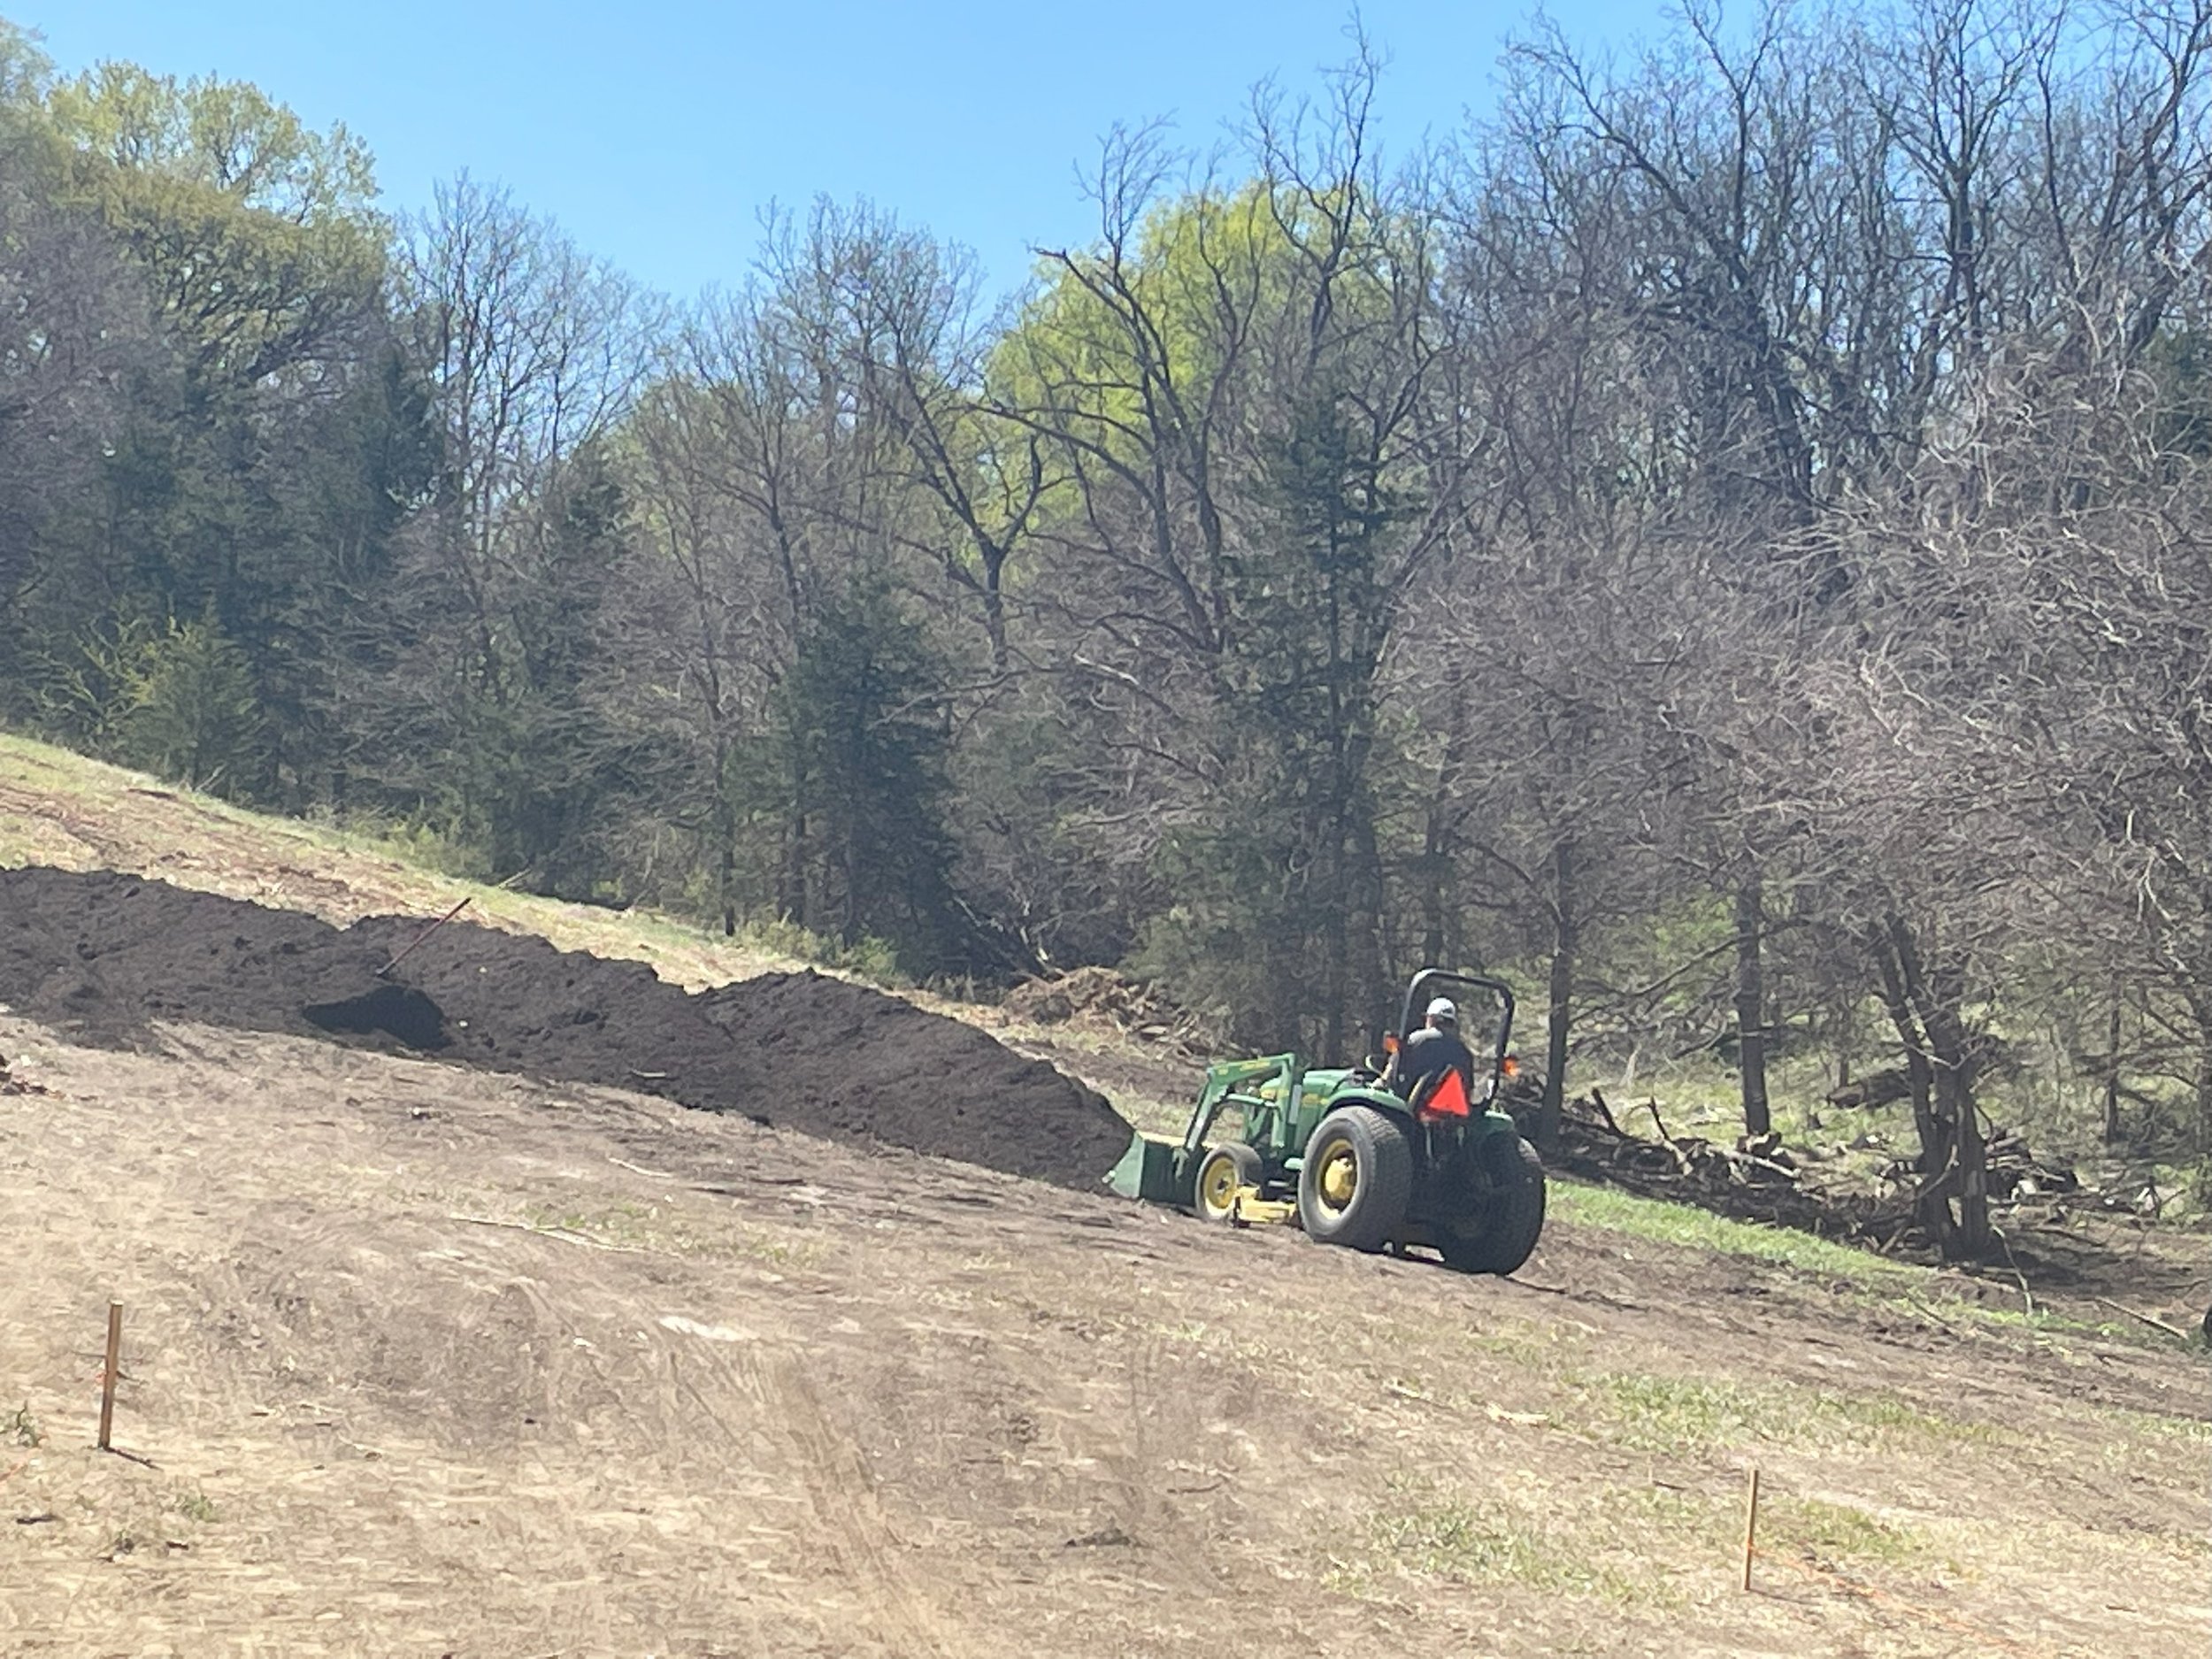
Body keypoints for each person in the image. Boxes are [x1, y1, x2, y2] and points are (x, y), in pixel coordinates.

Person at [1390, 995, 1475, 1108]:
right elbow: (1470, 1088)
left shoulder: (1416, 1039)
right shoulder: (1465, 1052)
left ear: (1431, 1019)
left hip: (1415, 1107)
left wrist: (1382, 1081)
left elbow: (1394, 1068)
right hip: (1454, 1114)